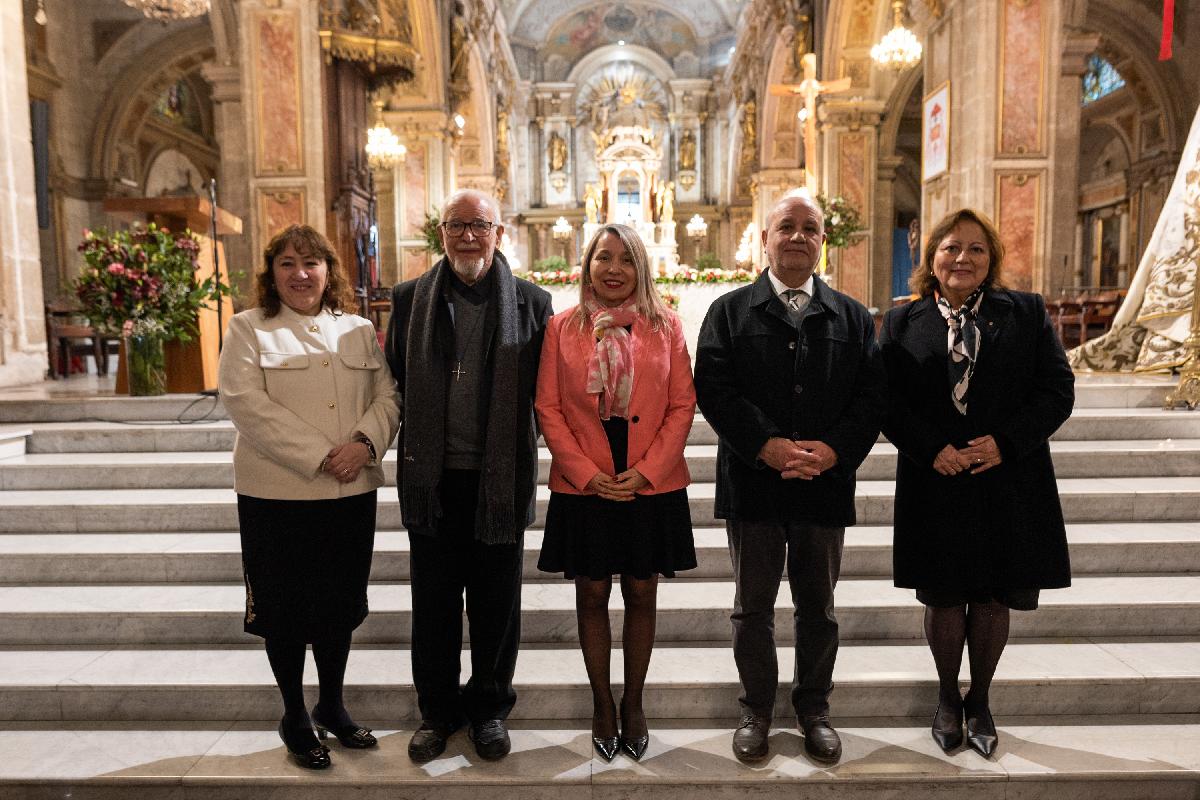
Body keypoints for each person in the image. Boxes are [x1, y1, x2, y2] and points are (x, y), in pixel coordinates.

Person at [694, 193, 885, 765]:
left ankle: (814, 710)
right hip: (753, 484)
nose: (798, 236)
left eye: (810, 228)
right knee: (752, 608)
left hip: (824, 485)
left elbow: (871, 397)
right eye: (786, 227)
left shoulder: (852, 317)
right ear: (765, 238)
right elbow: (714, 390)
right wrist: (765, 445)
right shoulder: (728, 312)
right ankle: (756, 709)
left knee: (818, 608)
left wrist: (833, 451)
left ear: (822, 241)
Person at [880, 208, 1073, 758]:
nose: (962, 258)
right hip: (935, 479)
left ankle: (981, 699)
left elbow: (1057, 391)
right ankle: (947, 698)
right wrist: (930, 449)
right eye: (951, 247)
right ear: (932, 258)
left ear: (991, 259)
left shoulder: (1026, 313)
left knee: (992, 594)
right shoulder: (901, 322)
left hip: (1006, 477)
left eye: (976, 249)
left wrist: (1005, 443)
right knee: (943, 594)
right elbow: (884, 400)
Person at [219, 225, 400, 770]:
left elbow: (388, 395)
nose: (300, 274)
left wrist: (364, 444)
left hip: (349, 492)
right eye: (287, 264)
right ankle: (295, 714)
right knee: (284, 610)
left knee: (339, 607)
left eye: (311, 263)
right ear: (271, 273)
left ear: (328, 270)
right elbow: (245, 402)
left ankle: (333, 705)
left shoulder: (359, 329)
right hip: (278, 494)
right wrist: (323, 455)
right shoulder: (248, 327)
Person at [385, 189, 552, 763]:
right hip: (432, 482)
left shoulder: (533, 302)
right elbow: (397, 379)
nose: (468, 236)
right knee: (432, 605)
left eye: (479, 225)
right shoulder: (409, 299)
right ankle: (437, 712)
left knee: (496, 606)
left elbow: (545, 391)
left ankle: (488, 711)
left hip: (498, 482)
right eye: (456, 225)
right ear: (442, 234)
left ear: (498, 234)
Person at [535, 224, 697, 762]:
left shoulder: (667, 325)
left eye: (626, 259)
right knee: (591, 593)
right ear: (587, 265)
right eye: (603, 258)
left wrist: (649, 471)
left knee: (643, 591)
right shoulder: (561, 327)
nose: (613, 269)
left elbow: (682, 404)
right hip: (588, 483)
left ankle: (634, 702)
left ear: (641, 268)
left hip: (648, 480)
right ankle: (602, 703)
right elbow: (548, 407)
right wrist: (584, 473)